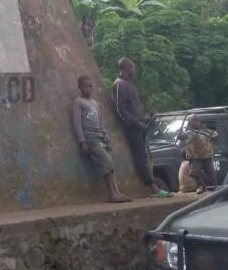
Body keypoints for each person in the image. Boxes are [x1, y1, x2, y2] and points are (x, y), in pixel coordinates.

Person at [112, 58, 171, 197]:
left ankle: (153, 187)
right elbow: (120, 109)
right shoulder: (119, 84)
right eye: (133, 68)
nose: (135, 71)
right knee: (140, 157)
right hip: (132, 127)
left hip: (139, 125)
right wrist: (134, 122)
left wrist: (145, 118)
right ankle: (152, 188)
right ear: (126, 68)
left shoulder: (129, 84)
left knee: (145, 157)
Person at [72, 75, 131, 203]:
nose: (89, 89)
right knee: (106, 163)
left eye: (90, 86)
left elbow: (99, 120)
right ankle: (111, 194)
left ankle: (117, 192)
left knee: (111, 165)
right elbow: (77, 123)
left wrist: (105, 132)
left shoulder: (95, 103)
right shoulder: (78, 102)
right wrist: (82, 142)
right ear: (80, 87)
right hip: (91, 138)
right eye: (86, 86)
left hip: (101, 136)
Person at [179, 114, 217, 194]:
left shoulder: (205, 131)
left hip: (207, 155)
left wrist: (214, 135)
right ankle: (200, 187)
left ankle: (214, 187)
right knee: (195, 173)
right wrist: (180, 134)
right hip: (195, 156)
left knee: (211, 172)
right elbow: (181, 138)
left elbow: (215, 133)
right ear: (190, 123)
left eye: (197, 121)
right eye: (194, 121)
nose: (196, 123)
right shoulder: (188, 132)